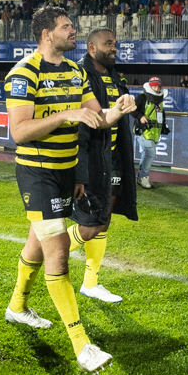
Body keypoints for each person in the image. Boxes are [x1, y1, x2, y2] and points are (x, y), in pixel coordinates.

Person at [3, 5, 128, 373]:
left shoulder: (75, 71)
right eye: (66, 27)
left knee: (36, 245)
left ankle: (17, 307)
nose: (73, 31)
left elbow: (98, 117)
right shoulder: (23, 74)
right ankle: (81, 343)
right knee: (57, 250)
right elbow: (20, 132)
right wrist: (65, 115)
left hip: (67, 171)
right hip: (37, 173)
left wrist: (118, 110)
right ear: (46, 34)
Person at [65, 28, 139, 303]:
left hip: (115, 160)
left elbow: (119, 111)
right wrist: (79, 169)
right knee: (90, 225)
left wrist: (130, 103)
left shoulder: (116, 77)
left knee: (104, 218)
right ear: (92, 48)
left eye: (115, 44)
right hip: (93, 159)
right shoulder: (80, 76)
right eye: (108, 44)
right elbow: (82, 125)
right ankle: (49, 250)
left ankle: (90, 283)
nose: (114, 49)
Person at [135, 77, 166, 189]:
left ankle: (140, 177)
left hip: (154, 132)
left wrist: (164, 126)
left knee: (147, 154)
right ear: (150, 86)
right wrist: (140, 117)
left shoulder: (160, 99)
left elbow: (162, 113)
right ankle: (143, 177)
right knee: (151, 153)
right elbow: (132, 109)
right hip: (143, 131)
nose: (157, 88)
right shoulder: (142, 97)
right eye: (154, 86)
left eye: (158, 86)